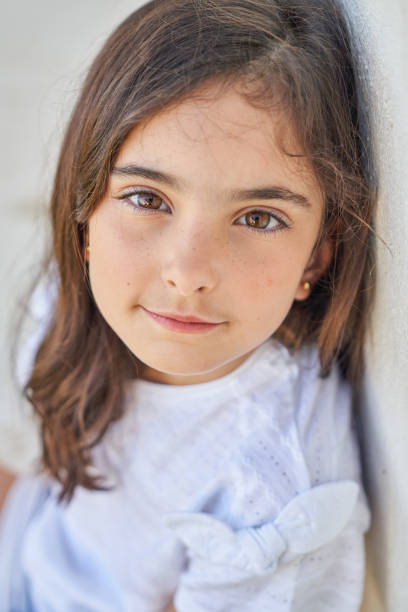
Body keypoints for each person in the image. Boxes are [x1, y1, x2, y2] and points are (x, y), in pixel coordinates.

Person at [0, 0, 376, 610]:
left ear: (318, 257)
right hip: (34, 538)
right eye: (148, 199)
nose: (187, 273)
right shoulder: (91, 282)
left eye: (259, 217)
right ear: (87, 207)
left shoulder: (271, 494)